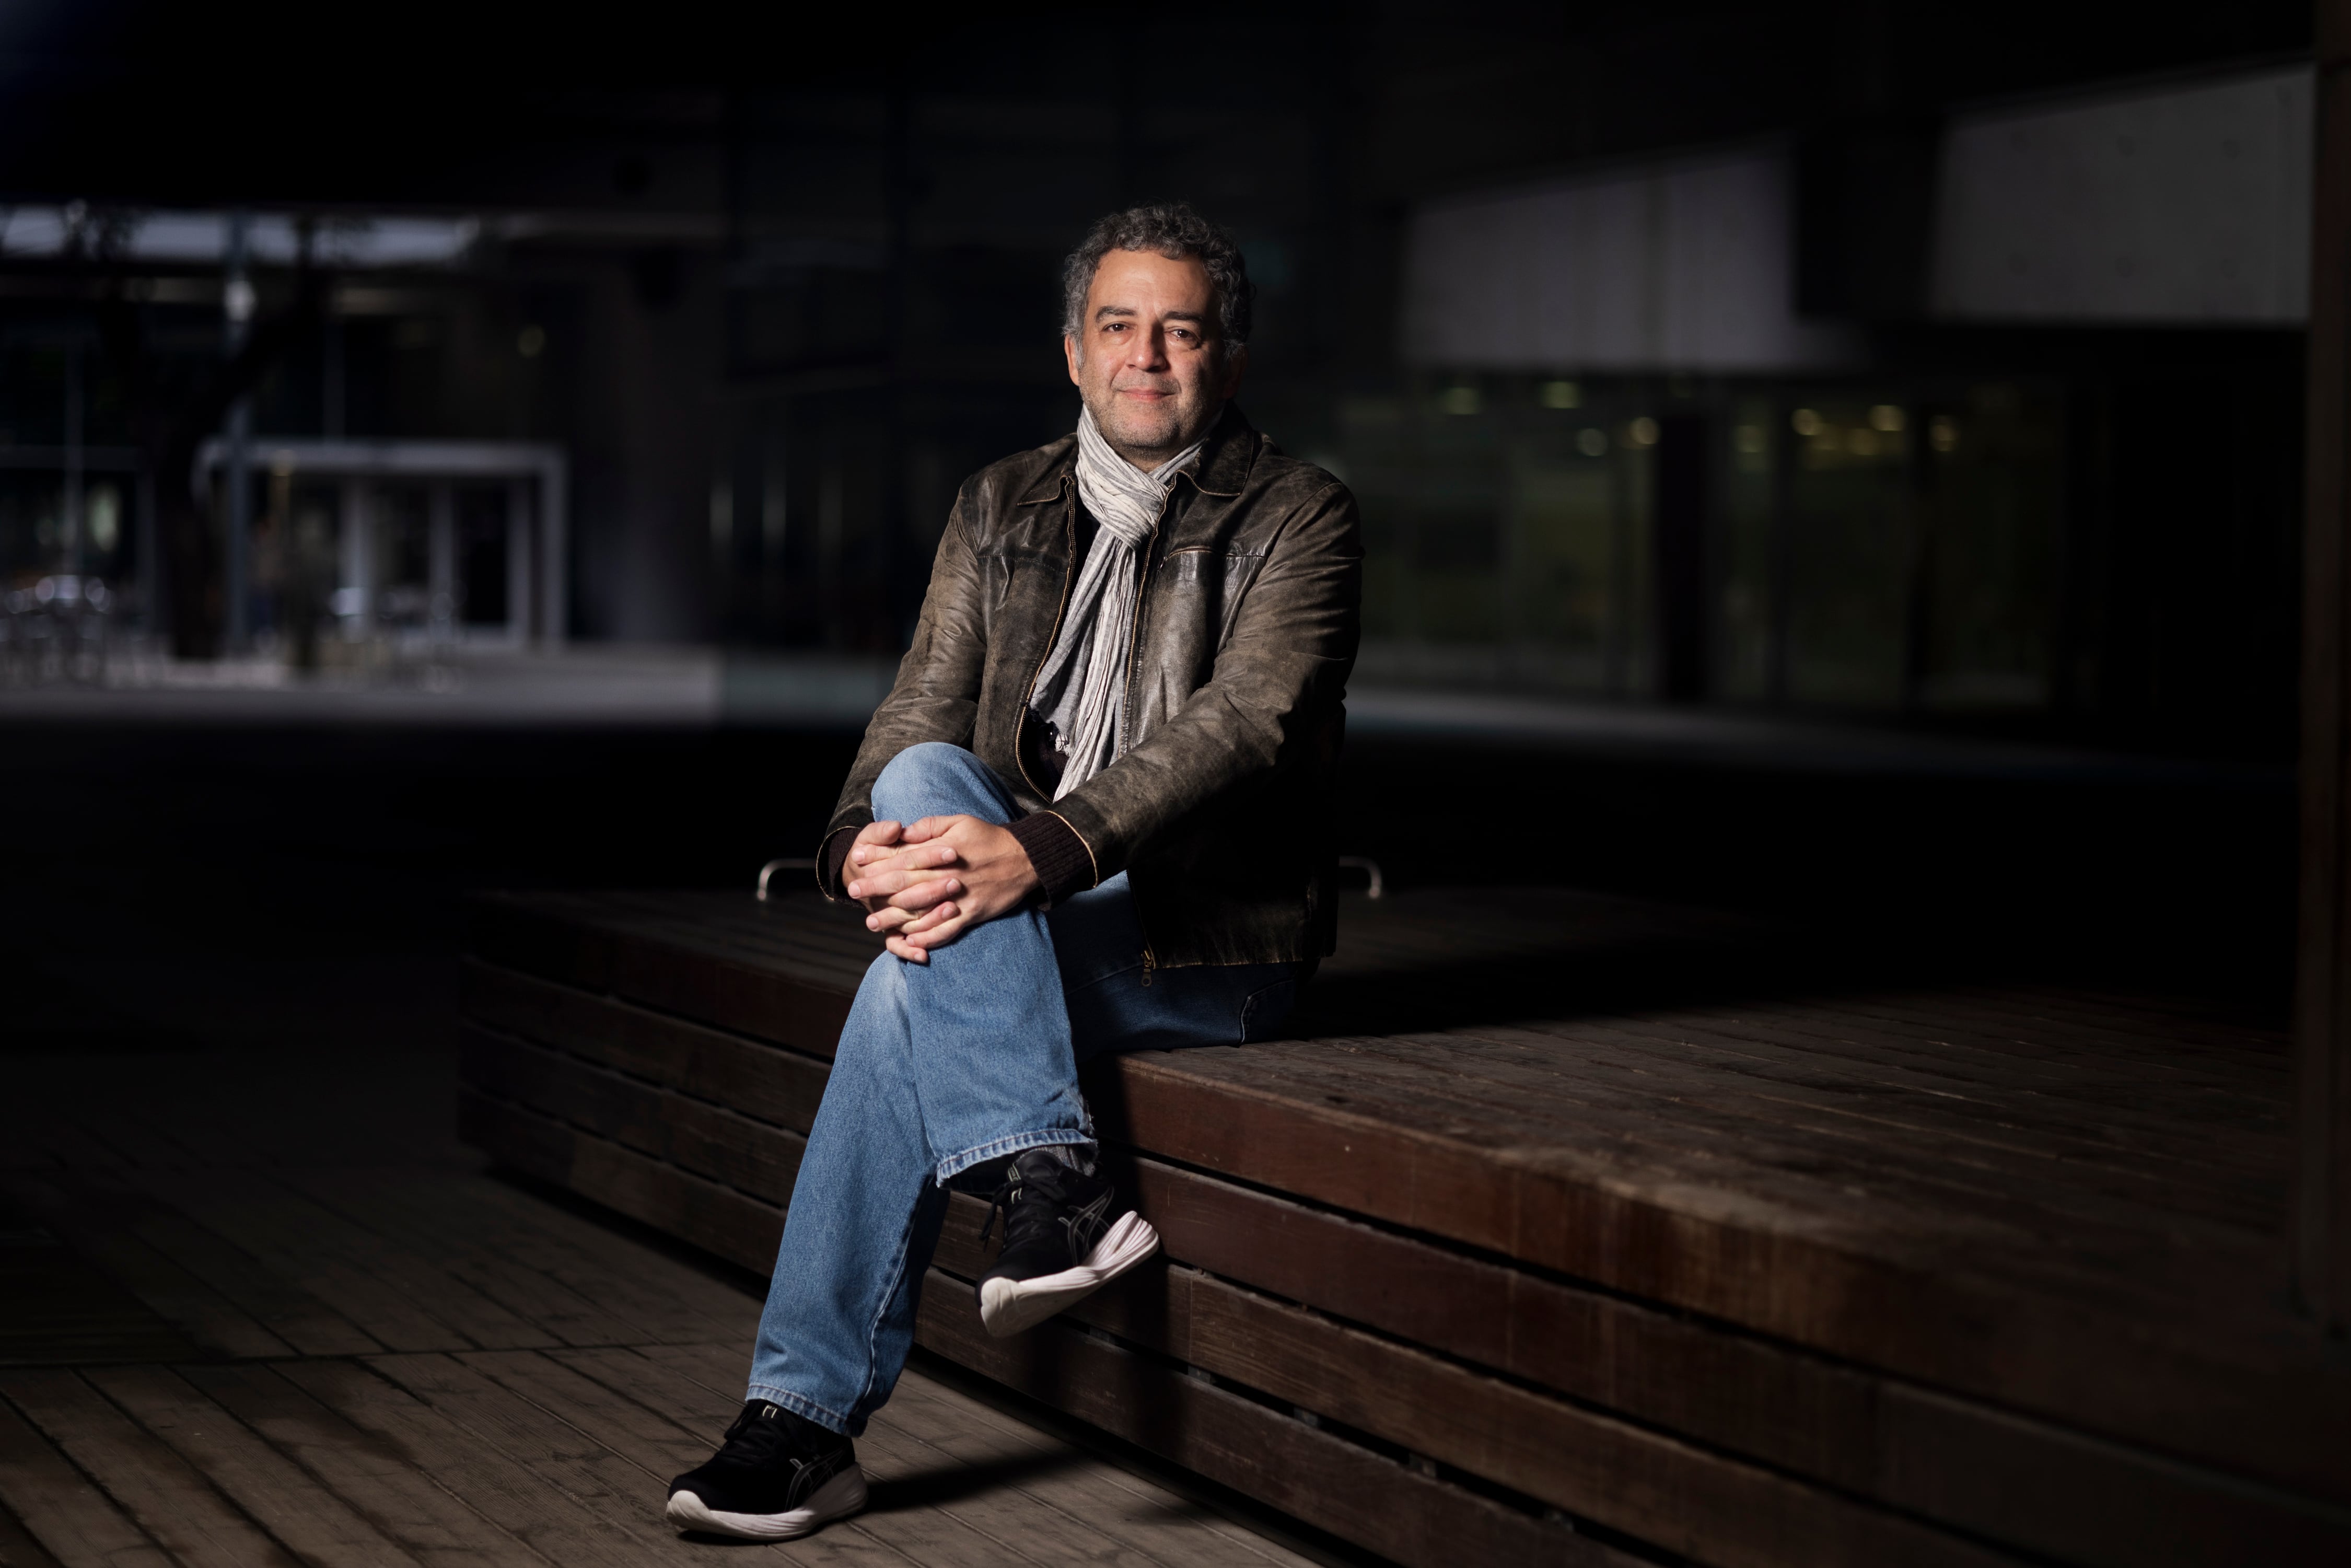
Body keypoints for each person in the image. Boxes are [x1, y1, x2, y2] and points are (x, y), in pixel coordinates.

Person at [665, 202, 1361, 1542]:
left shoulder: (1299, 513)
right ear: (1073, 351)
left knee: (895, 998)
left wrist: (1038, 855)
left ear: (1228, 356)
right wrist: (853, 842)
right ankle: (1050, 1172)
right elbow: (920, 705)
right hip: (1014, 909)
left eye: (1181, 329)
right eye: (1119, 326)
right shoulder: (1000, 503)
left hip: (1209, 940)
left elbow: (1249, 725)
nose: (1146, 356)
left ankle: (805, 1424)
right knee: (924, 786)